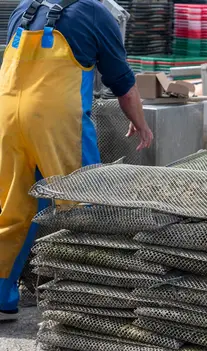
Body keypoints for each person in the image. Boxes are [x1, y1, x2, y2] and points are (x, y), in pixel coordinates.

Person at [0, 0, 153, 321]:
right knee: (83, 205)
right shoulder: (95, 13)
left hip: (7, 119)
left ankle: (1, 296)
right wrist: (140, 123)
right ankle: (88, 302)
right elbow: (123, 85)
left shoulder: (24, 8)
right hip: (58, 124)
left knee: (10, 210)